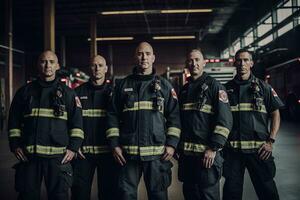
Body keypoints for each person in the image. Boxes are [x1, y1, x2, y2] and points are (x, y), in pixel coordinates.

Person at [106, 42, 181, 200]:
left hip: (157, 156)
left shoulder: (165, 87)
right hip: (128, 155)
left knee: (158, 196)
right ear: (135, 57)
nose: (144, 57)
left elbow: (174, 117)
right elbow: (112, 116)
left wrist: (172, 144)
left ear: (153, 58)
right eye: (140, 53)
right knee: (126, 195)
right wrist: (114, 145)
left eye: (147, 54)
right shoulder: (122, 85)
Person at [8, 50, 84, 200]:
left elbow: (77, 124)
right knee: (27, 196)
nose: (47, 65)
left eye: (51, 62)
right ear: (38, 65)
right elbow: (14, 121)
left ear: (57, 66)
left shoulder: (68, 94)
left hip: (58, 158)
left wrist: (73, 148)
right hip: (29, 158)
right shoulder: (24, 92)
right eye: (43, 61)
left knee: (59, 196)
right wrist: (15, 144)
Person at [223, 49, 284, 200]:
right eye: (239, 60)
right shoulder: (225, 89)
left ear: (251, 63)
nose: (242, 64)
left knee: (268, 192)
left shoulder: (264, 88)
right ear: (234, 63)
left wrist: (270, 141)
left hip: (259, 151)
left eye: (245, 60)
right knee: (231, 193)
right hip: (233, 152)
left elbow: (276, 114)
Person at [177, 49, 233, 200]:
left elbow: (225, 121)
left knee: (208, 195)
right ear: (186, 64)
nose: (193, 63)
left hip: (207, 157)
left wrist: (213, 148)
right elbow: (179, 122)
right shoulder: (184, 90)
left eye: (197, 60)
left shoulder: (215, 87)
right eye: (190, 60)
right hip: (187, 158)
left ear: (203, 63)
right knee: (190, 194)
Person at [71, 55, 118, 200]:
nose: (97, 68)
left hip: (108, 154)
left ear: (106, 69)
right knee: (79, 193)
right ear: (89, 68)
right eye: (93, 65)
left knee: (108, 193)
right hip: (83, 154)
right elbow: (71, 121)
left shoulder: (114, 93)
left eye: (100, 65)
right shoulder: (77, 93)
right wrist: (74, 145)